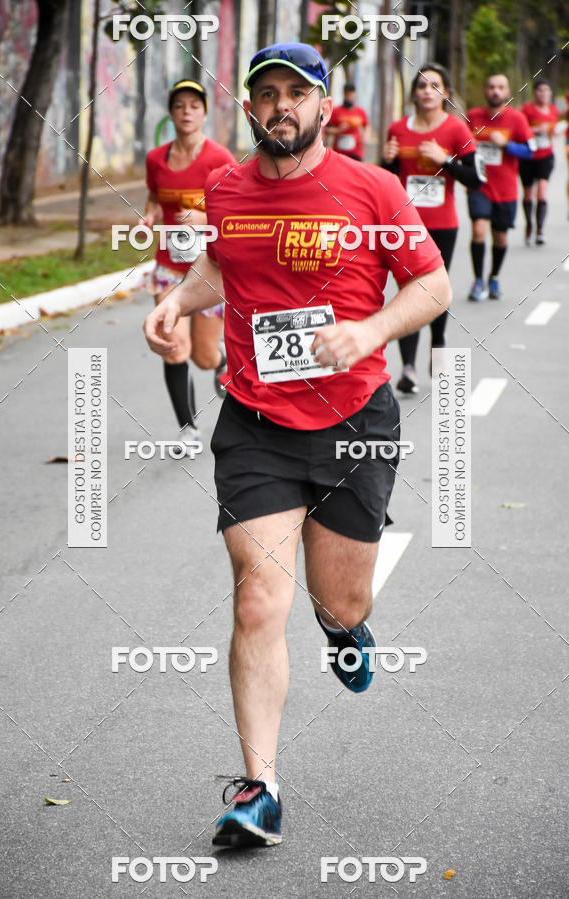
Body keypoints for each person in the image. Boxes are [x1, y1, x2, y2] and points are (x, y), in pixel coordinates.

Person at [144, 42, 451, 848]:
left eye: (297, 93)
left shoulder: (372, 186)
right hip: (255, 424)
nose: (281, 106)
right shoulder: (226, 185)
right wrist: (178, 300)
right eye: (266, 94)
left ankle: (346, 631)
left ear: (322, 104)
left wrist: (373, 329)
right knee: (256, 597)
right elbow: (223, 263)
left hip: (354, 423)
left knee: (336, 600)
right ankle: (259, 787)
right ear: (249, 107)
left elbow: (432, 283)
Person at [143, 79, 236, 451]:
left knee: (201, 354)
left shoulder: (219, 158)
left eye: (194, 106)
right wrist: (147, 218)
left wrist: (203, 220)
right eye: (180, 105)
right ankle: (188, 429)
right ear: (171, 111)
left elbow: (236, 211)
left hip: (208, 270)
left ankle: (220, 363)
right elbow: (154, 200)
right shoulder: (156, 159)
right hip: (168, 268)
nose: (186, 112)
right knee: (173, 345)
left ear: (204, 113)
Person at [382, 63, 482, 394]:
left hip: (443, 224)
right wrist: (388, 162)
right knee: (408, 291)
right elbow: (390, 181)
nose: (427, 91)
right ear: (414, 93)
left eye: (434, 85)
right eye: (422, 85)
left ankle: (438, 342)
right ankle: (408, 367)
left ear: (446, 94)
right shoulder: (398, 128)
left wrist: (445, 160)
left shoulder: (457, 130)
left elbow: (476, 180)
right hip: (407, 224)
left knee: (435, 287)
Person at [467, 74, 534, 301]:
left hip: (506, 190)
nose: (496, 91)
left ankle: (493, 277)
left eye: (500, 87)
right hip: (479, 186)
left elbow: (530, 151)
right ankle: (478, 281)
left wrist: (507, 145)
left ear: (507, 92)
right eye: (491, 87)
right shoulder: (473, 117)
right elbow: (460, 145)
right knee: (478, 230)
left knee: (500, 238)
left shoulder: (517, 119)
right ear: (485, 90)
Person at [520, 79, 559, 245]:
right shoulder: (527, 110)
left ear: (550, 93)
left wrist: (553, 132)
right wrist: (535, 130)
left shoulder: (553, 110)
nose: (543, 94)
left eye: (546, 91)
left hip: (546, 155)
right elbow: (520, 131)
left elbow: (552, 130)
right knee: (528, 194)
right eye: (540, 91)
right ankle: (529, 223)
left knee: (542, 192)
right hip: (528, 156)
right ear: (535, 93)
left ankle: (540, 230)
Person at [326, 81, 370, 160]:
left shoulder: (360, 112)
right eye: (347, 94)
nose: (349, 96)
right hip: (340, 152)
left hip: (356, 152)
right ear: (344, 94)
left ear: (354, 94)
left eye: (351, 94)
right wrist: (338, 130)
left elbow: (367, 126)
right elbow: (327, 130)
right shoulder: (336, 111)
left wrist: (366, 136)